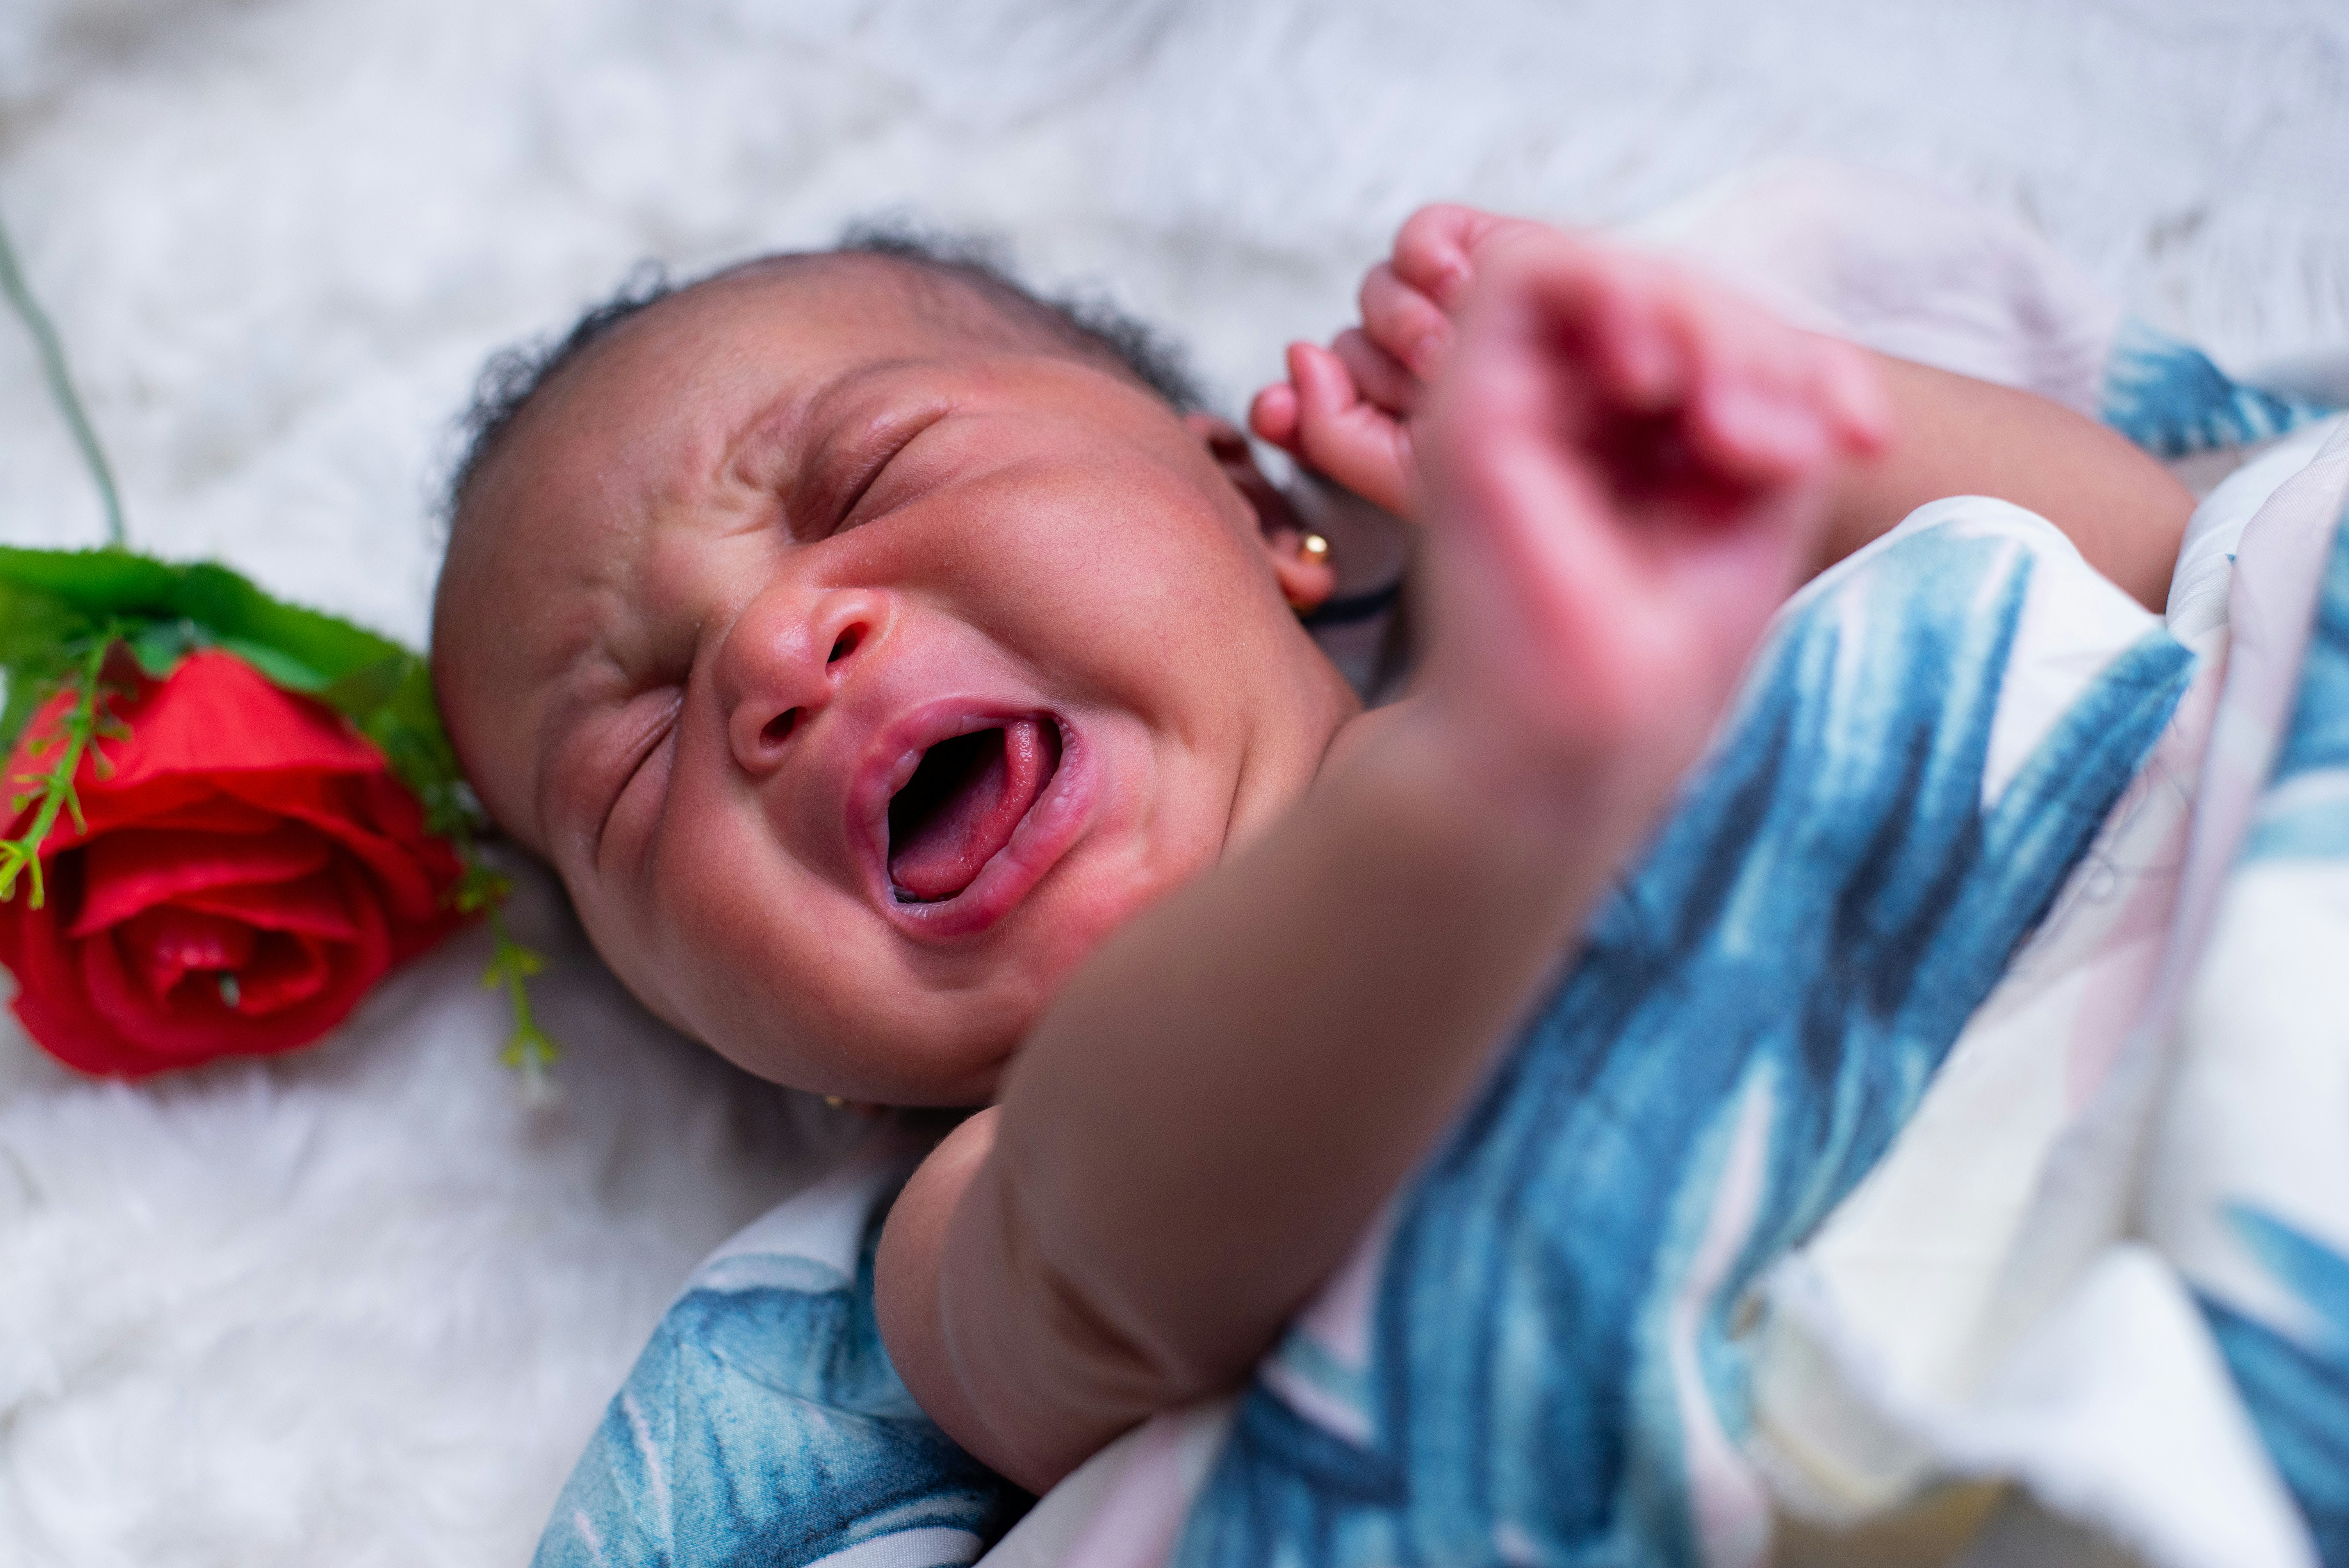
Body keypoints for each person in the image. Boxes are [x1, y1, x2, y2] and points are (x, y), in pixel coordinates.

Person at [431, 205, 2191, 1497]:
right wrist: (1484, 787)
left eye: (868, 478)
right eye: (637, 760)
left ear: (1257, 508)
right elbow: (1121, 1247)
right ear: (753, 1049)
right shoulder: (968, 1229)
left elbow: (2155, 566)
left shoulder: (1714, 626)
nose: (766, 659)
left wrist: (1724, 438)